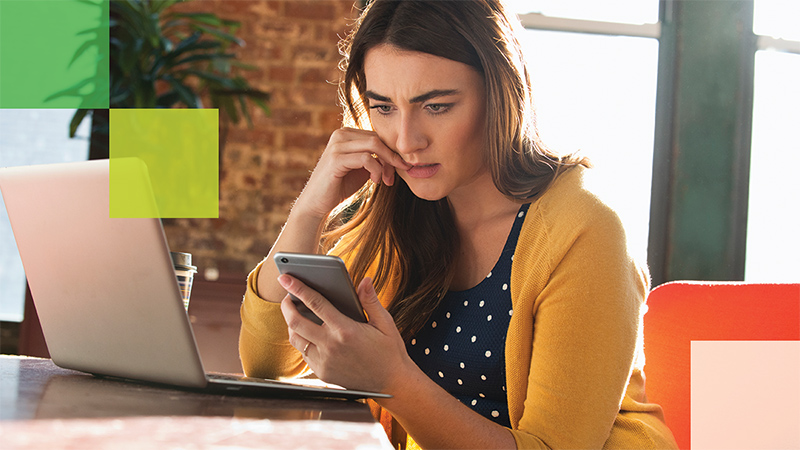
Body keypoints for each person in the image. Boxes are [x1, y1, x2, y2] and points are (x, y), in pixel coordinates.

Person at [240, 0, 678, 448]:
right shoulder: (405, 209)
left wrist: (392, 379)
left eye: (436, 106)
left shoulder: (584, 230)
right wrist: (310, 209)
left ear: (501, 94)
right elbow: (266, 364)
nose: (407, 141)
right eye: (384, 108)